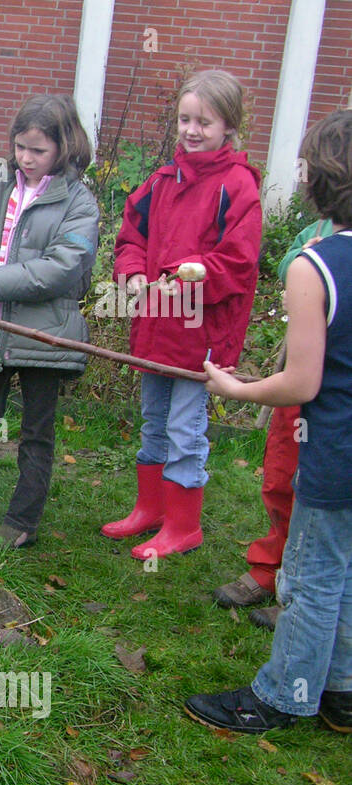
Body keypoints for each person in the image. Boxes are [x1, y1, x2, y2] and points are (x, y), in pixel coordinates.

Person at [187, 110, 352, 734]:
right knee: (348, 569)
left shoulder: (314, 266)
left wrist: (237, 385)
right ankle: (342, 692)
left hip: (334, 452)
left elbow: (304, 381)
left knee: (309, 578)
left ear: (319, 180)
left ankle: (283, 695)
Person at [101, 70, 262, 559]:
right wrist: (131, 272)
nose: (192, 130)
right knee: (153, 421)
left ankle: (184, 525)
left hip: (201, 337)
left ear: (228, 127)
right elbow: (132, 235)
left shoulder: (238, 187)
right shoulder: (161, 180)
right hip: (155, 329)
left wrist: (192, 273)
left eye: (204, 122)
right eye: (185, 119)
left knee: (184, 429)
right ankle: (150, 508)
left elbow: (239, 260)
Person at [0, 95, 100, 546]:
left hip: (43, 336)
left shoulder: (79, 204)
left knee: (35, 432)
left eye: (38, 150)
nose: (26, 159)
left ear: (63, 148)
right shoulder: (0, 190)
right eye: (20, 147)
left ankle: (21, 522)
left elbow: (62, 268)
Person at [211, 216, 337, 631]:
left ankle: (303, 594)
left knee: (325, 499)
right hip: (300, 380)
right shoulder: (321, 226)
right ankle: (270, 569)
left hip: (338, 387)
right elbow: (288, 267)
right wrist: (309, 254)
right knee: (283, 476)